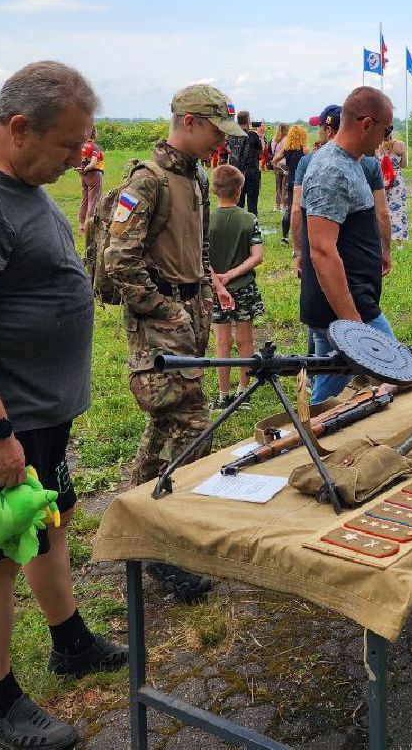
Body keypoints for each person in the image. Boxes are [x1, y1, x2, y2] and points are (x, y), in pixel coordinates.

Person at [0, 61, 126, 750]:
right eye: (69, 146)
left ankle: (69, 640)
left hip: (38, 416)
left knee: (50, 522)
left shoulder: (23, 182)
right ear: (18, 128)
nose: (79, 158)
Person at [101, 83, 240, 603]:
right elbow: (120, 262)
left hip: (190, 311)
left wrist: (207, 283)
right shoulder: (148, 180)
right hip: (163, 320)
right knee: (192, 428)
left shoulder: (195, 178)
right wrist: (166, 308)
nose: (218, 143)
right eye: (213, 131)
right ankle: (169, 546)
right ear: (188, 123)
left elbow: (195, 244)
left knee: (168, 421)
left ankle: (131, 520)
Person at [301, 88, 399, 404]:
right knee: (399, 370)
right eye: (387, 130)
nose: (386, 139)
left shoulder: (352, 163)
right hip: (346, 311)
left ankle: (307, 441)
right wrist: (352, 326)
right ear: (367, 124)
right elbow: (322, 250)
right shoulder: (331, 169)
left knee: (326, 397)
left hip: (349, 306)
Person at [290, 106, 390, 285]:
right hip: (360, 254)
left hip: (320, 250)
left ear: (328, 129)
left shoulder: (308, 162)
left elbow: (297, 209)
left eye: (319, 127)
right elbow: (382, 213)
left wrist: (299, 251)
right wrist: (385, 251)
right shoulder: (371, 164)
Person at [207, 164, 265, 409]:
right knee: (246, 340)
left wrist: (219, 280)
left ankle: (223, 395)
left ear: (213, 190)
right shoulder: (249, 219)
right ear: (239, 191)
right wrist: (233, 274)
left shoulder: (205, 221)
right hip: (244, 287)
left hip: (214, 290)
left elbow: (202, 259)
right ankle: (244, 391)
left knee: (222, 343)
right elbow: (257, 256)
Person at [271, 123, 308, 241]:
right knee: (303, 210)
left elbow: (274, 161)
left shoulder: (286, 149)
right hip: (302, 183)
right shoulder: (305, 149)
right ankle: (302, 237)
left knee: (289, 208)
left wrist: (285, 169)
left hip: (291, 181)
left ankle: (285, 237)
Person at [225, 110, 263, 218]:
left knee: (238, 201)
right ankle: (253, 227)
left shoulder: (232, 135)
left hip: (236, 171)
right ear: (248, 121)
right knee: (252, 202)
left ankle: (237, 224)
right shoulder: (252, 135)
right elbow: (260, 151)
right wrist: (260, 136)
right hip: (251, 171)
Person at [379, 131, 410, 244]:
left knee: (381, 209)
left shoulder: (376, 145)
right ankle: (399, 240)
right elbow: (404, 165)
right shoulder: (401, 145)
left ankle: (381, 236)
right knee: (398, 210)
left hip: (380, 181)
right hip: (396, 181)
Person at [77, 127, 104, 234]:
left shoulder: (80, 145)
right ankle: (90, 227)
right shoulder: (94, 147)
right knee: (93, 201)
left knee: (84, 200)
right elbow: (93, 164)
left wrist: (81, 170)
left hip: (83, 175)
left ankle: (81, 226)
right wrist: (88, 168)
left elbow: (78, 162)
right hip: (94, 174)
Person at [270, 122, 291, 213]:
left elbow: (272, 152)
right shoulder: (286, 140)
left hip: (276, 164)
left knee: (278, 186)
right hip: (285, 164)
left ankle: (277, 206)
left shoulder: (273, 140)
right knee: (285, 186)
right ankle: (284, 206)